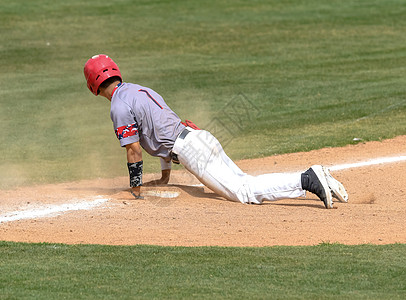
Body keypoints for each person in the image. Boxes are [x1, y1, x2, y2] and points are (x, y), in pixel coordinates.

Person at [83, 54, 348, 208]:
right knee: (244, 181)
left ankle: (307, 179)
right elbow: (159, 128)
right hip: (199, 138)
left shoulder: (118, 105)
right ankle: (318, 177)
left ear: (93, 85)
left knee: (244, 192)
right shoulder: (138, 89)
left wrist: (136, 188)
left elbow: (134, 149)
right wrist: (165, 176)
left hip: (190, 150)